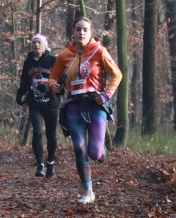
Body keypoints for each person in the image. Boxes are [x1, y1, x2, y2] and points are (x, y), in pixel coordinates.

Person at [48, 17, 122, 204]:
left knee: (94, 153)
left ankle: (101, 149)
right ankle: (88, 192)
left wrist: (106, 95)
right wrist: (54, 87)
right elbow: (52, 78)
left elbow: (117, 74)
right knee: (78, 147)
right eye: (78, 29)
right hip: (73, 104)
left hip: (95, 103)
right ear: (73, 32)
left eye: (85, 30)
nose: (81, 33)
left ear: (90, 32)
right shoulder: (65, 55)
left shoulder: (99, 51)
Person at [16, 34, 59, 178]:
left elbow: (62, 80)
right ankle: (40, 164)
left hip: (51, 102)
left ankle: (51, 163)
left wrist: (49, 87)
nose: (36, 45)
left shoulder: (53, 60)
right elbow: (24, 80)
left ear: (45, 45)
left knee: (51, 134)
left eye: (39, 43)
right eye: (34, 43)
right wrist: (20, 94)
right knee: (38, 132)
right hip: (34, 102)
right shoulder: (28, 62)